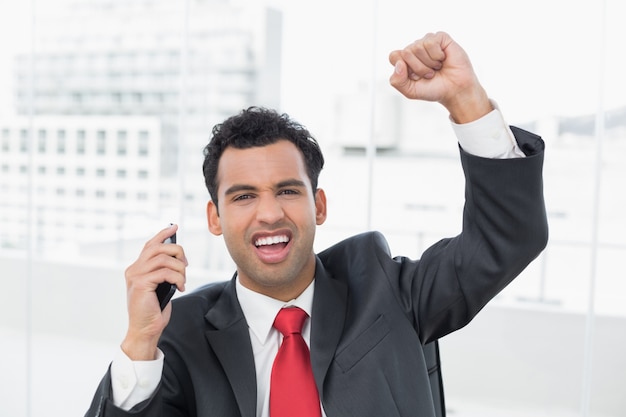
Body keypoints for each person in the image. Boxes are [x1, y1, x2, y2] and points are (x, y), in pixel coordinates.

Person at [86, 31, 548, 417]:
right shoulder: (180, 333)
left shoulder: (386, 288)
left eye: (287, 191)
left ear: (319, 206)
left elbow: (506, 238)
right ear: (215, 218)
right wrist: (140, 341)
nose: (269, 214)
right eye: (244, 196)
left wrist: (466, 100)